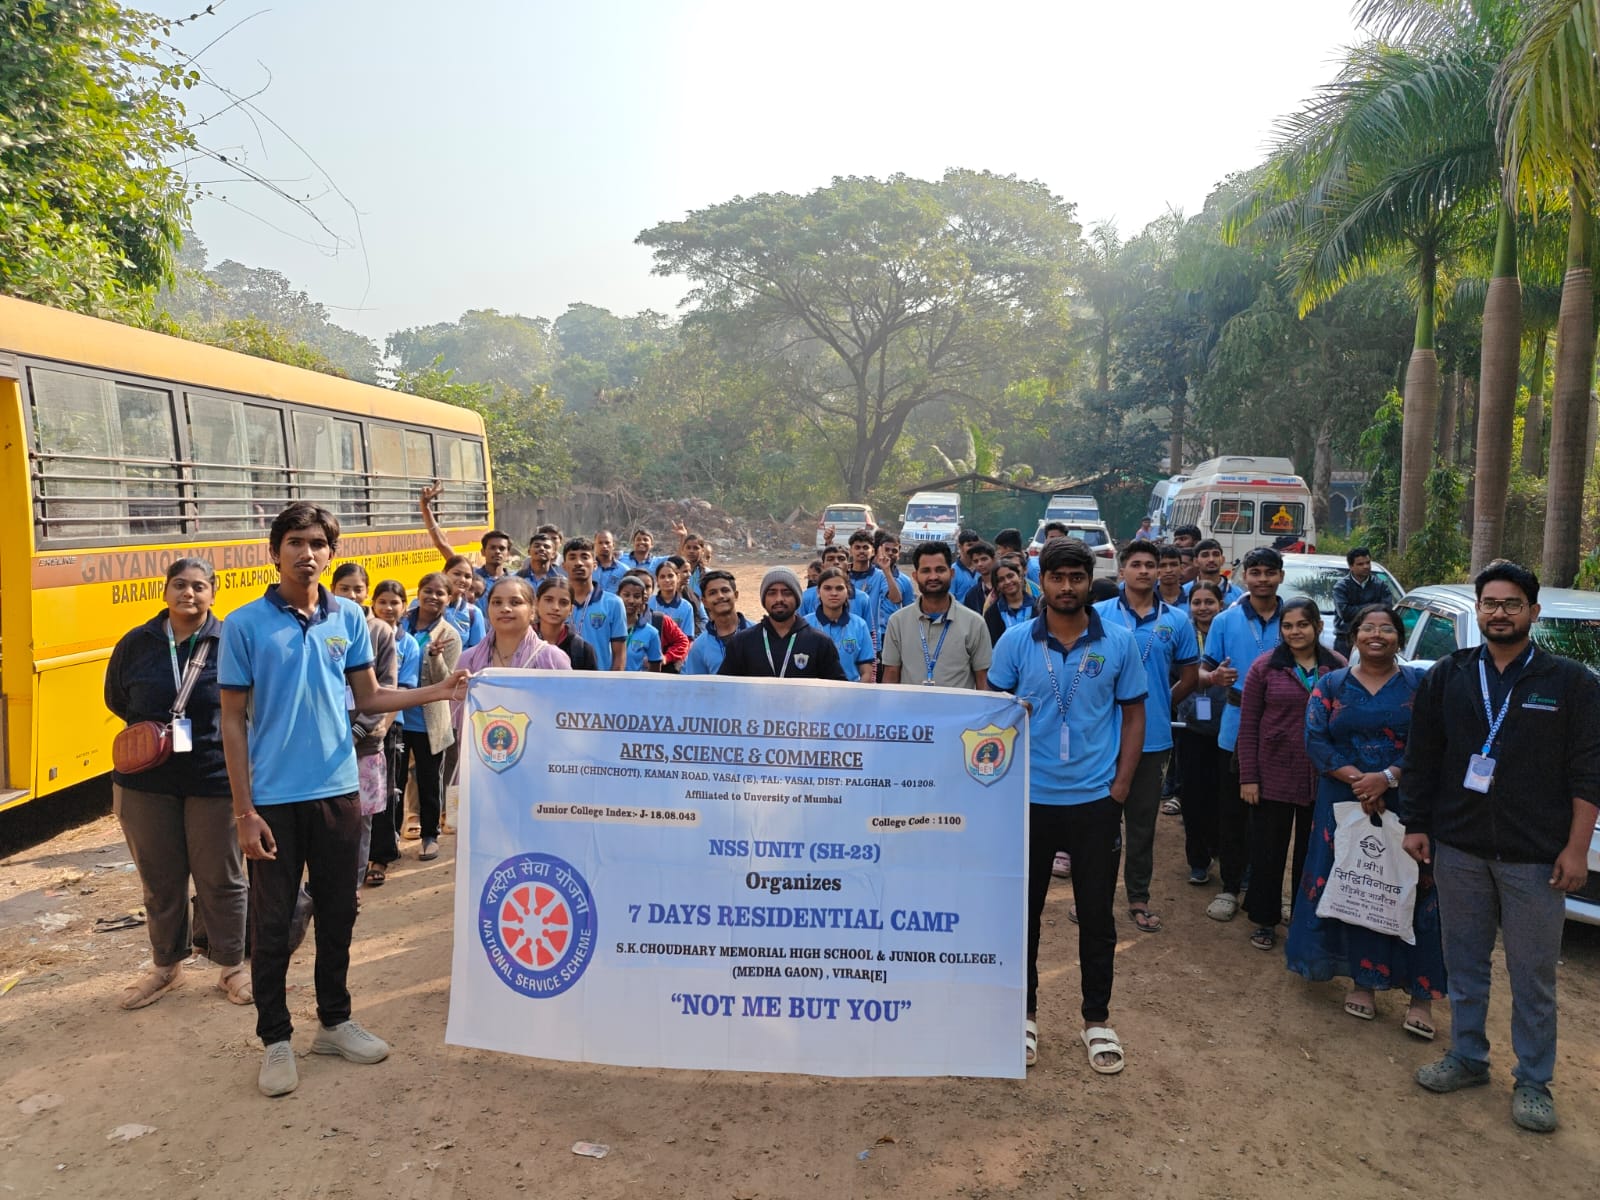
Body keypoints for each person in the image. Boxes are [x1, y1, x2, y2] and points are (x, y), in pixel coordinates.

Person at [220, 503, 466, 1098]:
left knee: (339, 912)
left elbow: (370, 697)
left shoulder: (349, 618)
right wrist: (245, 812)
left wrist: (438, 690)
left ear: (331, 553)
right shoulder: (244, 625)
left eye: (318, 543)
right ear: (275, 551)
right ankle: (276, 1039)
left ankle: (333, 1022)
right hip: (274, 801)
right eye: (295, 542)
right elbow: (231, 722)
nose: (307, 553)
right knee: (274, 923)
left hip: (339, 791)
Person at [1400, 561, 1600, 1133]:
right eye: (1490, 603)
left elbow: (1589, 772)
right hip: (1459, 849)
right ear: (1478, 609)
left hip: (1535, 858)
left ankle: (1534, 1081)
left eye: (1512, 604)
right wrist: (1416, 824)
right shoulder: (1451, 674)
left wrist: (1576, 849)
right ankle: (1468, 1056)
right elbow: (1423, 756)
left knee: (1532, 974)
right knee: (1465, 963)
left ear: (1532, 612)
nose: (1500, 613)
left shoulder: (1572, 683)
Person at [987, 537, 1146, 1074]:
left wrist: (1120, 786)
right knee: (1022, 915)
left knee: (1097, 915)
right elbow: (995, 717)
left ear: (1089, 581)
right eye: (1058, 577)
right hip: (1027, 802)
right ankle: (1023, 1016)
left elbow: (1134, 716)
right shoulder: (1015, 641)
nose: (1067, 587)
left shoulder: (1119, 642)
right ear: (1044, 581)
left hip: (1095, 801)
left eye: (1077, 577)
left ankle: (1096, 1019)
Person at [1286, 604, 1443, 1035]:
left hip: (1408, 803)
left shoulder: (1420, 685)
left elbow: (1434, 742)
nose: (1377, 635)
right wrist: (1361, 782)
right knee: (1357, 885)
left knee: (1412, 889)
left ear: (1399, 639)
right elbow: (1315, 739)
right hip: (1344, 802)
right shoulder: (1332, 684)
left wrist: (1387, 778)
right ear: (1354, 636)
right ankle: (1363, 982)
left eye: (1386, 628)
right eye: (1368, 628)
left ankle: (1422, 997)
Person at [105, 557, 249, 1010]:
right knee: (160, 879)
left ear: (214, 593)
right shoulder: (137, 642)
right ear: (165, 590)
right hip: (145, 781)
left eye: (199, 586)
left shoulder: (231, 641)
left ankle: (232, 966)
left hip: (215, 778)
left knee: (221, 878)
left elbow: (249, 707)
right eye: (180, 585)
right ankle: (166, 966)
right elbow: (117, 698)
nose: (189, 593)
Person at [1092, 540, 1198, 934]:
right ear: (1121, 570)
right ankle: (1094, 896)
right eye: (1135, 564)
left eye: (1150, 565)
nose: (1143, 571)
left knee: (1141, 824)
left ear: (1160, 571)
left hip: (1152, 739)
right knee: (1098, 824)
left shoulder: (1177, 621)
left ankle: (1138, 897)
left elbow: (1190, 676)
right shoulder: (1098, 614)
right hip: (1101, 737)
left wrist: (1160, 705)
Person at [1236, 598, 1343, 951]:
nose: (1295, 632)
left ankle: (1304, 919)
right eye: (1288, 626)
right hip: (1273, 774)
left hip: (1322, 777)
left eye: (1302, 624)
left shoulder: (1337, 668)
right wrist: (1248, 777)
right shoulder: (1265, 667)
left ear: (1318, 627)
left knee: (1313, 853)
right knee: (1268, 850)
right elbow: (1248, 725)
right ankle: (1264, 919)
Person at [1200, 545, 1284, 922]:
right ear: (1243, 576)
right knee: (1232, 811)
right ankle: (1231, 886)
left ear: (1280, 576)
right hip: (1234, 725)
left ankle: (1265, 889)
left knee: (1274, 814)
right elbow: (1202, 671)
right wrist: (1214, 677)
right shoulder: (1225, 620)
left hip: (1283, 729)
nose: (1262, 579)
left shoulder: (1294, 618)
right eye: (1256, 572)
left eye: (1270, 572)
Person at [331, 565, 399, 891]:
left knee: (362, 818)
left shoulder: (380, 632)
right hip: (325, 743)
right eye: (344, 588)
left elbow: (387, 685)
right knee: (328, 819)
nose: (352, 595)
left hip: (366, 743)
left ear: (367, 593)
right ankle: (329, 886)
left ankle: (352, 888)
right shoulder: (322, 626)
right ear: (332, 590)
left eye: (358, 589)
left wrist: (359, 729)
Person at [396, 572, 463, 862]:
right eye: (428, 590)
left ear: (449, 599)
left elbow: (447, 683)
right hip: (395, 717)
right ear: (419, 592)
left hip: (429, 722)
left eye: (440, 593)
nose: (433, 597)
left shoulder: (449, 635)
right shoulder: (398, 623)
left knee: (428, 781)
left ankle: (429, 836)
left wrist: (435, 657)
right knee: (395, 782)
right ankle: (391, 837)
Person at [454, 577, 570, 730]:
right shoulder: (468, 660)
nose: (505, 609)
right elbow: (459, 721)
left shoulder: (552, 659)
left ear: (532, 611)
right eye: (497, 602)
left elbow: (566, 715)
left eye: (515, 602)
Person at [1174, 580, 1228, 886]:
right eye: (1197, 602)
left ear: (1221, 605)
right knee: (1193, 795)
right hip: (1191, 727)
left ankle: (1219, 847)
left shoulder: (1229, 632)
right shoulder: (1182, 634)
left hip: (1226, 727)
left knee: (1223, 794)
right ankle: (1197, 860)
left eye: (1210, 602)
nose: (1203, 608)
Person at [881, 542, 991, 690]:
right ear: (915, 576)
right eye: (926, 571)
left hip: (958, 706)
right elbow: (891, 676)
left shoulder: (974, 623)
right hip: (909, 705)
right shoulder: (897, 622)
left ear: (951, 573)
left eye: (940, 570)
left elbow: (982, 679)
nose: (933, 576)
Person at [367, 580, 419, 878]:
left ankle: (381, 857)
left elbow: (402, 690)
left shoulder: (407, 644)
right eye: (382, 601)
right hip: (356, 728)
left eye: (394, 602)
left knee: (385, 792)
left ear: (404, 607)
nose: (388, 608)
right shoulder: (360, 634)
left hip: (389, 727)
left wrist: (381, 727)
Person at [718, 568, 846, 680]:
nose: (779, 599)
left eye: (786, 592)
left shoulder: (820, 642)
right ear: (764, 599)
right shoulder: (742, 642)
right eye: (772, 593)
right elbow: (724, 689)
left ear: (797, 598)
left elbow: (837, 690)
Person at [419, 481, 513, 592]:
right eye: (492, 548)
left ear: (508, 554)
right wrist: (425, 507)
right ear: (483, 552)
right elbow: (442, 544)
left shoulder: (514, 582)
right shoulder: (469, 575)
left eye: (502, 548)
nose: (497, 551)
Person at [563, 537, 627, 670]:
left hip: (599, 679)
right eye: (572, 557)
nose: (578, 563)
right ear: (564, 566)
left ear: (594, 565)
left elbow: (619, 654)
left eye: (584, 557)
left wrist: (613, 681)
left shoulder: (613, 603)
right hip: (561, 677)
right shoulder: (556, 603)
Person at [811, 567, 878, 682]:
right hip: (814, 690)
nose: (833, 593)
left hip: (851, 690)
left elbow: (866, 670)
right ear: (818, 592)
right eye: (827, 588)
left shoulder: (859, 625)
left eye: (839, 588)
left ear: (848, 591)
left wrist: (858, 691)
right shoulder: (806, 624)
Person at [683, 570, 752, 676]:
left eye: (725, 590)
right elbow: (696, 684)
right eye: (712, 593)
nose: (720, 596)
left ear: (736, 595)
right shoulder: (699, 647)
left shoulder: (759, 634)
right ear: (704, 602)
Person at [1331, 546, 1389, 659]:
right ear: (1351, 566)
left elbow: (1386, 610)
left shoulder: (1380, 586)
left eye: (1368, 563)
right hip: (1346, 639)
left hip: (1374, 638)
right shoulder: (1341, 587)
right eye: (1360, 564)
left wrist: (1359, 609)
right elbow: (1345, 613)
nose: (1366, 566)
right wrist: (1374, 607)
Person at [535, 577, 600, 671]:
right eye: (548, 600)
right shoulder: (521, 641)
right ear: (536, 603)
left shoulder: (582, 650)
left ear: (571, 609)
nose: (555, 607)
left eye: (563, 603)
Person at [982, 556, 1038, 646]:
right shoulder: (992, 613)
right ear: (997, 586)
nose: (1007, 582)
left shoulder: (1038, 607)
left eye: (1010, 576)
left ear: (1020, 577)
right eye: (1001, 580)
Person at [616, 574, 664, 672]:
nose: (631, 600)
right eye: (626, 595)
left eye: (637, 596)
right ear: (618, 596)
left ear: (643, 600)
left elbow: (655, 669)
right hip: (606, 681)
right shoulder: (607, 627)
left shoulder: (651, 633)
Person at [439, 554, 486, 649]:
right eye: (457, 574)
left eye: (467, 576)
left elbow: (479, 651)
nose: (462, 580)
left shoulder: (473, 613)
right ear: (444, 573)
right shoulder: (423, 605)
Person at [651, 556, 703, 637]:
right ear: (657, 580)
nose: (667, 580)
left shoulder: (686, 606)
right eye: (662, 577)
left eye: (670, 576)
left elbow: (688, 637)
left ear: (678, 577)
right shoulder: (649, 603)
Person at [1187, 538, 1244, 607]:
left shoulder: (1238, 595)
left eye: (1216, 554)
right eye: (1205, 555)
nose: (1211, 559)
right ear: (1196, 561)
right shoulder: (1184, 592)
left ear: (1223, 560)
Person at [960, 540, 998, 611]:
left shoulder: (1005, 586)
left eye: (984, 559)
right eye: (975, 561)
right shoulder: (972, 595)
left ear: (994, 559)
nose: (979, 564)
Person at [591, 529, 629, 594]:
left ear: (613, 545)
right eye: (600, 543)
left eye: (607, 543)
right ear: (595, 545)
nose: (604, 546)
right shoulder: (588, 568)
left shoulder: (624, 570)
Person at [1156, 544, 1188, 610]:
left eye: (1173, 565)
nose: (1169, 570)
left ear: (1182, 568)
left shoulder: (1193, 598)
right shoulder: (1146, 600)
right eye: (1162, 565)